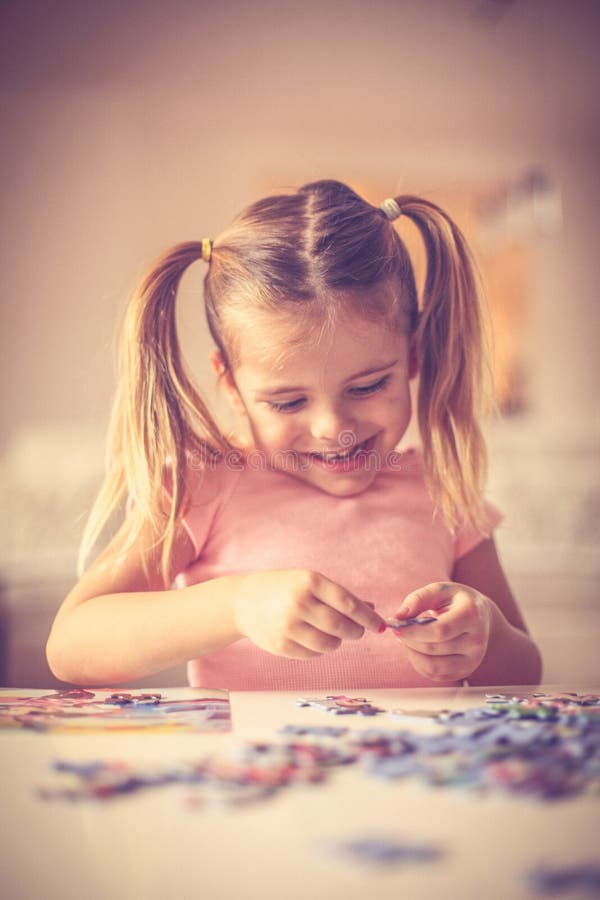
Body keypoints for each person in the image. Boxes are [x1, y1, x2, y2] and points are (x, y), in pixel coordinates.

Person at [46, 179, 542, 690]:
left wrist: (486, 635)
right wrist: (236, 605)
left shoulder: (445, 490)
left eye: (368, 386)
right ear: (231, 386)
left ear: (412, 356)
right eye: (287, 401)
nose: (333, 429)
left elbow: (526, 676)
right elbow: (71, 646)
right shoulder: (205, 486)